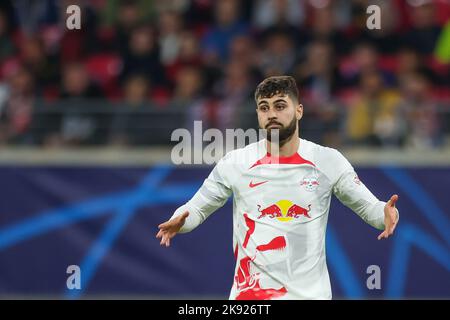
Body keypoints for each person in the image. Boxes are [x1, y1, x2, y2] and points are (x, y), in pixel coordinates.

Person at [156, 75, 399, 300]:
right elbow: (196, 208)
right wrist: (180, 221)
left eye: (280, 106)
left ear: (299, 110)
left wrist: (385, 213)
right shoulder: (236, 162)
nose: (271, 114)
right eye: (264, 108)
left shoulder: (328, 161)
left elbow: (370, 208)